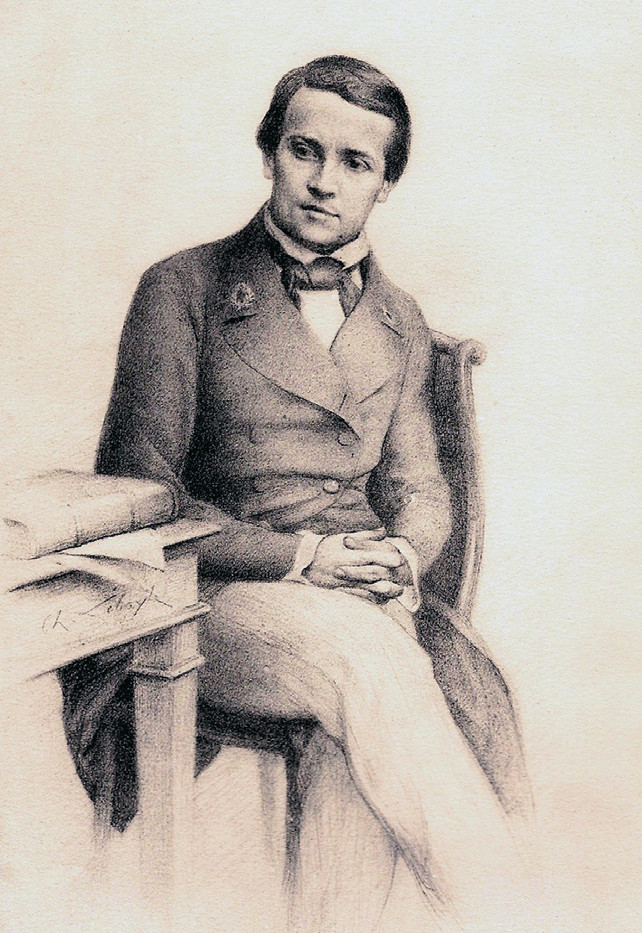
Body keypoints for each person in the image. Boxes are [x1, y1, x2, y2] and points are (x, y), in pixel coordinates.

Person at [60, 56, 531, 931]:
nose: (323, 182)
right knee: (369, 660)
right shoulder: (182, 288)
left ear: (385, 183)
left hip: (361, 600)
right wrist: (307, 557)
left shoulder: (399, 317)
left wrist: (401, 553)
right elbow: (144, 495)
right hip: (206, 598)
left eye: (355, 162)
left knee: (364, 696)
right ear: (269, 152)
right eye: (304, 150)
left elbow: (420, 487)